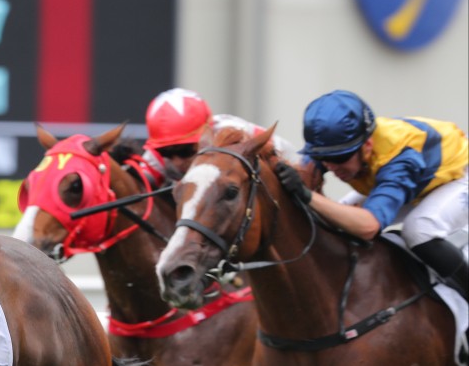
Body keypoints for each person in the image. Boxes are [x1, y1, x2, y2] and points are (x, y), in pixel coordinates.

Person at [274, 90, 469, 300]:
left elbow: (368, 226)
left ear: (367, 145)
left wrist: (308, 196)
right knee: (338, 218)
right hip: (421, 180)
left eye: (340, 157)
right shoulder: (333, 142)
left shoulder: (399, 160)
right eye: (322, 157)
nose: (331, 166)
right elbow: (304, 181)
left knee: (420, 229)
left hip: (458, 175)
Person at [140, 87, 295, 188]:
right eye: (165, 153)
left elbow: (291, 158)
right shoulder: (155, 153)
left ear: (207, 133)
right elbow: (136, 187)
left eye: (185, 150)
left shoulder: (235, 134)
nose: (177, 162)